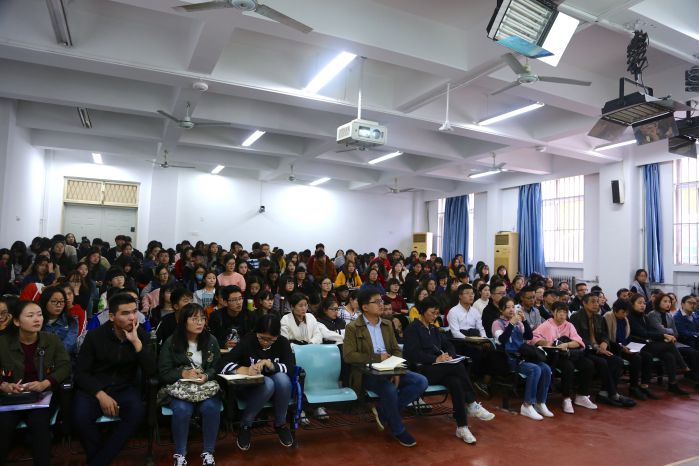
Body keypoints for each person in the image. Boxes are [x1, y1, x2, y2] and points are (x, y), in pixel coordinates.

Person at [73, 292, 157, 466]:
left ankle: (98, 461)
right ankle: (101, 459)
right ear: (112, 317)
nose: (132, 317)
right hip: (94, 388)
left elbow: (152, 371)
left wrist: (136, 343)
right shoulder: (95, 336)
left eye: (134, 311)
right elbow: (81, 373)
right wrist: (100, 394)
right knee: (80, 417)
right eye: (125, 313)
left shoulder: (141, 335)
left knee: (136, 412)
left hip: (124, 387)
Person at [343, 289, 428, 447]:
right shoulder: (353, 327)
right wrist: (377, 358)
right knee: (389, 389)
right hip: (367, 372)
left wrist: (397, 369)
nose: (381, 304)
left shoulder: (387, 324)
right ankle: (398, 429)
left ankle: (384, 412)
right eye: (376, 302)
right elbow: (348, 356)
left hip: (390, 369)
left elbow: (396, 349)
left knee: (421, 381)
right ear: (365, 307)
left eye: (381, 301)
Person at [403, 297, 494, 444]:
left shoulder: (434, 329)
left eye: (436, 313)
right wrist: (435, 359)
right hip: (422, 370)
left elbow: (449, 345)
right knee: (458, 367)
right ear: (422, 311)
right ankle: (471, 403)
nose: (435, 316)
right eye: (432, 312)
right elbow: (412, 354)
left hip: (441, 370)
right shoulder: (412, 329)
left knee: (456, 382)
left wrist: (449, 355)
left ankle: (462, 427)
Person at [0, 301, 71, 466]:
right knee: (3, 427)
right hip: (11, 398)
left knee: (40, 428)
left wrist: (45, 383)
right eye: (30, 315)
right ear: (16, 321)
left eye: (39, 314)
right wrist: (3, 385)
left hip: (39, 398)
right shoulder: (3, 342)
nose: (37, 319)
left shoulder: (52, 340)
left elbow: (65, 366)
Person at [218, 314, 295, 450]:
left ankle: (280, 424)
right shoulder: (249, 340)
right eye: (262, 337)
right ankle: (245, 425)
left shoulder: (282, 342)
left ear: (277, 336)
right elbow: (222, 363)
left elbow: (291, 368)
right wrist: (244, 369)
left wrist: (271, 365)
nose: (265, 342)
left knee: (282, 379)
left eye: (270, 339)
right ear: (256, 332)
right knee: (268, 383)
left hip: (276, 392)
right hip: (250, 389)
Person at [159, 303, 221, 466]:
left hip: (205, 389)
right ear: (183, 321)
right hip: (182, 390)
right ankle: (180, 454)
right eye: (194, 319)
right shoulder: (171, 342)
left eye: (202, 318)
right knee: (182, 409)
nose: (200, 322)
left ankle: (208, 452)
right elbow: (163, 373)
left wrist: (206, 376)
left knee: (211, 407)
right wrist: (183, 374)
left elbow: (217, 367)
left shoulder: (211, 340)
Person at [492, 296, 552, 420]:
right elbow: (502, 340)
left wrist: (524, 321)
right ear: (501, 310)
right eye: (507, 307)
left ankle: (540, 402)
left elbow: (529, 337)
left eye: (512, 307)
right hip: (510, 359)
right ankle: (527, 405)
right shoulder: (497, 323)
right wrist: (511, 324)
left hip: (524, 356)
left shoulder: (519, 323)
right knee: (535, 369)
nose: (511, 310)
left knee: (546, 368)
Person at [570, 294, 636, 407]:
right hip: (584, 351)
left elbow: (605, 334)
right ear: (584, 303)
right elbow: (578, 337)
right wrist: (596, 347)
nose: (596, 304)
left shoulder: (599, 318)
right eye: (593, 301)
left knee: (617, 361)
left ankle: (604, 393)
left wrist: (605, 342)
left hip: (599, 349)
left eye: (597, 301)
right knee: (602, 362)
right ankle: (613, 393)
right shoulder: (576, 317)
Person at [532, 302, 597, 413]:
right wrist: (545, 342)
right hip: (555, 356)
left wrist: (566, 344)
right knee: (568, 367)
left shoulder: (569, 325)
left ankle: (582, 395)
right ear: (553, 312)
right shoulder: (546, 325)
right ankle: (566, 398)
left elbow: (578, 341)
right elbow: (533, 338)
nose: (562, 315)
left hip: (569, 353)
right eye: (559, 312)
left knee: (588, 364)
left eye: (565, 313)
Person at [627, 293, 689, 396]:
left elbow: (652, 331)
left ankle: (672, 385)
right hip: (636, 346)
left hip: (647, 344)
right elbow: (643, 333)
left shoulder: (644, 317)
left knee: (669, 356)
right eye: (639, 303)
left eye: (644, 303)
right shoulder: (630, 317)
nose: (643, 305)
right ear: (632, 304)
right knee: (669, 345)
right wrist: (664, 335)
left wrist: (664, 336)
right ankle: (684, 366)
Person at [603, 299, 658, 400]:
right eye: (623, 312)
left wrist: (632, 346)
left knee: (647, 356)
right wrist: (621, 347)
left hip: (626, 346)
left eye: (627, 312)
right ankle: (633, 387)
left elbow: (627, 337)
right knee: (636, 358)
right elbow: (606, 339)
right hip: (614, 348)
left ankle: (644, 386)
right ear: (615, 310)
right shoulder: (607, 317)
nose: (625, 314)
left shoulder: (625, 319)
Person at [208, 285, 257, 349]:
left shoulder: (250, 315)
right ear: (225, 302)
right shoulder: (215, 316)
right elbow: (210, 338)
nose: (239, 302)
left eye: (240, 298)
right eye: (234, 300)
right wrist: (223, 344)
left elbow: (255, 337)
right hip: (223, 352)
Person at [39, 285, 79, 361]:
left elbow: (68, 345)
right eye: (54, 301)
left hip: (64, 361)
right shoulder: (38, 321)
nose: (59, 305)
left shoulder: (72, 321)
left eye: (62, 301)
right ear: (45, 302)